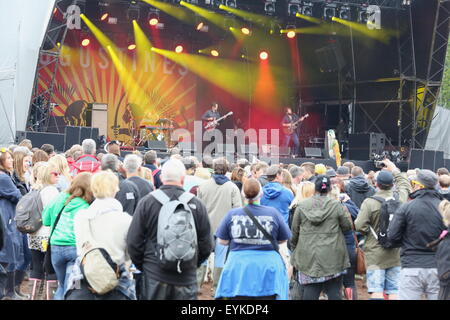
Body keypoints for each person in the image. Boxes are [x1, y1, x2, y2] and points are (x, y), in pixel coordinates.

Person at [127, 159, 212, 300]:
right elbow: (206, 244)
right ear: (183, 179)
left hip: (154, 276)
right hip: (186, 278)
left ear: (161, 178)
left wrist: (147, 266)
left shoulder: (147, 203)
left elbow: (133, 242)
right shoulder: (196, 204)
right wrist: (190, 264)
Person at [215, 178, 291, 300]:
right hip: (267, 268)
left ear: (242, 194)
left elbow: (222, 241)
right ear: (261, 194)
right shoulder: (273, 213)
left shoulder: (232, 214)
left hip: (239, 268)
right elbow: (283, 240)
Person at [65, 171, 135, 300]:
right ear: (115, 189)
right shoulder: (126, 220)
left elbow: (80, 248)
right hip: (116, 278)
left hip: (84, 275)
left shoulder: (81, 217)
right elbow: (129, 254)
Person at [354, 159, 411, 300]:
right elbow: (405, 184)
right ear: (392, 185)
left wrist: (370, 231)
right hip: (396, 252)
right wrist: (395, 169)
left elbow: (359, 225)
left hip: (375, 253)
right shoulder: (400, 199)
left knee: (376, 291)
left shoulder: (370, 202)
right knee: (394, 291)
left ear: (376, 184)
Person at [290, 175, 352, 300]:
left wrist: (294, 249)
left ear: (315, 189)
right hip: (333, 255)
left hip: (308, 255)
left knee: (310, 290)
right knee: (334, 292)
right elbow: (347, 226)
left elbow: (294, 232)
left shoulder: (302, 206)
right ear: (329, 189)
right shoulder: (336, 205)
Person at [388, 169, 447, 300]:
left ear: (419, 185)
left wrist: (406, 243)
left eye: (414, 183)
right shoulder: (445, 208)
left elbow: (392, 236)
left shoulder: (406, 207)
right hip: (438, 267)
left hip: (411, 266)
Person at [41, 172, 93, 300]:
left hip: (56, 247)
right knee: (74, 287)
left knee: (62, 284)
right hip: (75, 249)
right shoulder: (88, 205)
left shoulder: (60, 197)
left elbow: (45, 220)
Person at [197, 158, 242, 293]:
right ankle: (217, 288)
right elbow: (237, 210)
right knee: (220, 260)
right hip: (224, 230)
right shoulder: (232, 187)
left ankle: (196, 287)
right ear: (227, 169)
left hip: (205, 230)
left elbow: (198, 208)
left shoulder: (203, 186)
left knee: (203, 258)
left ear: (213, 168)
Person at [27, 162, 60, 299]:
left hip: (34, 233)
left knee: (36, 266)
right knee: (50, 268)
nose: (58, 177)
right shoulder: (52, 191)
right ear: (48, 175)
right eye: (55, 174)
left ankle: (33, 296)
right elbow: (55, 214)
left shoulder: (34, 189)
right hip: (47, 234)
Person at [0, 149, 24, 300]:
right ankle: (9, 292)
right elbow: (17, 196)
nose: (11, 161)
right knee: (10, 251)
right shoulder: (4, 178)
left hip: (5, 214)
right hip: (6, 215)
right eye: (8, 158)